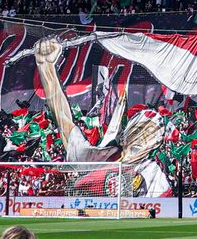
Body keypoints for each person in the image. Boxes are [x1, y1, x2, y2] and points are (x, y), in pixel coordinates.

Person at [34, 37, 169, 196]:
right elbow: (64, 122)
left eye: (151, 133)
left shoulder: (154, 175)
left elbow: (158, 211)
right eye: (139, 129)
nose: (143, 137)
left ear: (156, 143)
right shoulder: (99, 157)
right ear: (126, 134)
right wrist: (46, 67)